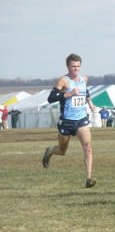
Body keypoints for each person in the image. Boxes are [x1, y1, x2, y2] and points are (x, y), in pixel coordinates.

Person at [42, 53, 97, 188]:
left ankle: (88, 179)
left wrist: (90, 103)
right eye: (73, 66)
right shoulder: (63, 80)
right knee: (62, 151)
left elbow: (85, 92)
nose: (76, 69)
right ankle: (49, 151)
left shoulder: (84, 79)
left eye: (78, 66)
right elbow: (51, 98)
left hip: (81, 120)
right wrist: (68, 94)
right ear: (68, 66)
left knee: (88, 148)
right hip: (67, 121)